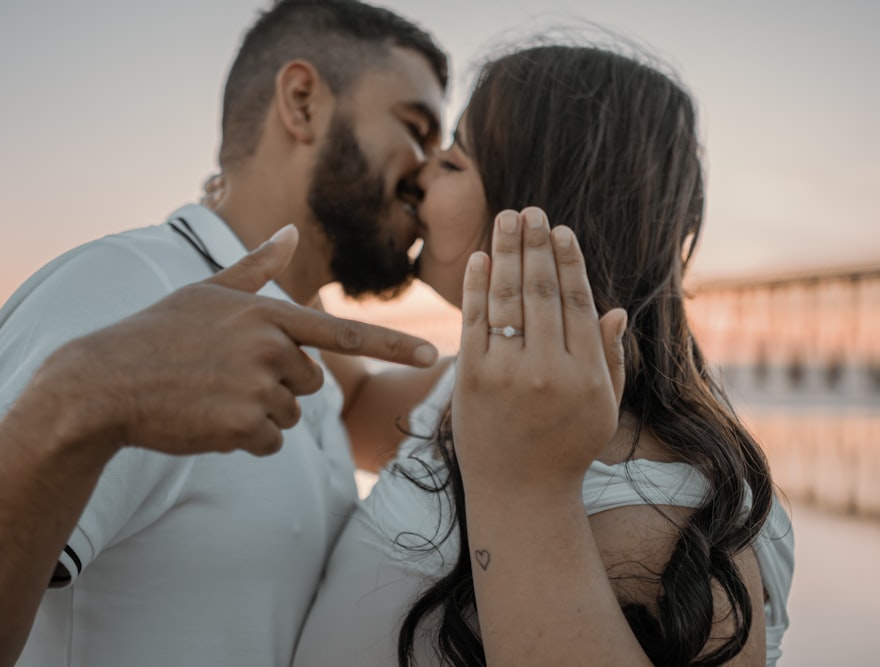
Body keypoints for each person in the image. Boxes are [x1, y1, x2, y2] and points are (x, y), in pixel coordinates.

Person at [0, 1, 452, 665]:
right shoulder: (126, 287)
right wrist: (86, 399)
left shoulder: (304, 352)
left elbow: (437, 405)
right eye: (417, 130)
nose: (429, 172)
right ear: (302, 102)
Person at [295, 44, 795, 665]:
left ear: (535, 208)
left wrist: (526, 491)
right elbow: (353, 403)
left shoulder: (655, 511)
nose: (419, 174)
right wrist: (296, 228)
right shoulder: (469, 390)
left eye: (452, 161)